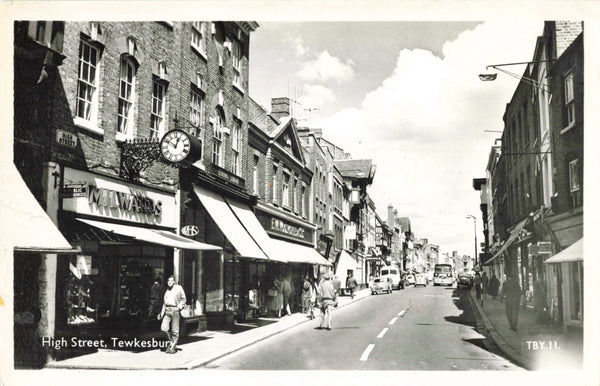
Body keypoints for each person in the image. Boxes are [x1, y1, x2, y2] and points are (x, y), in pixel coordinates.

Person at [158, 275, 186, 354]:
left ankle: (173, 347)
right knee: (163, 328)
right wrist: (161, 313)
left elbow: (183, 299)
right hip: (167, 310)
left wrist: (179, 307)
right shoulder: (166, 290)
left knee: (175, 330)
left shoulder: (178, 288)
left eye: (171, 281)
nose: (169, 282)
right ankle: (171, 343)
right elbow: (164, 303)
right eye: (168, 281)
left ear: (174, 281)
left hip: (175, 310)